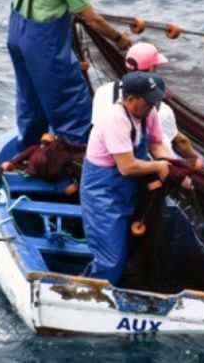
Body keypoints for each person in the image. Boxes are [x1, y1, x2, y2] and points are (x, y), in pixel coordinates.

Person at [7, 0, 132, 148]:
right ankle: (80, 152)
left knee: (30, 97)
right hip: (40, 42)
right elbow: (92, 19)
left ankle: (28, 150)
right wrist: (119, 38)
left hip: (15, 34)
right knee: (68, 96)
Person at [80, 71, 178, 285]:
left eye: (155, 102)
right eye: (149, 101)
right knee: (111, 260)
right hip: (103, 192)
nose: (153, 107)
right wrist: (159, 166)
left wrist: (173, 165)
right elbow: (126, 166)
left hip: (131, 188)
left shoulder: (147, 112)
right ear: (130, 98)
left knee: (151, 241)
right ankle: (88, 292)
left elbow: (156, 144)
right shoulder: (116, 119)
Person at [91, 42, 197, 159]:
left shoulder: (102, 91)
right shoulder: (159, 109)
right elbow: (180, 142)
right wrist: (197, 163)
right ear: (152, 68)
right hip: (139, 164)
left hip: (102, 155)